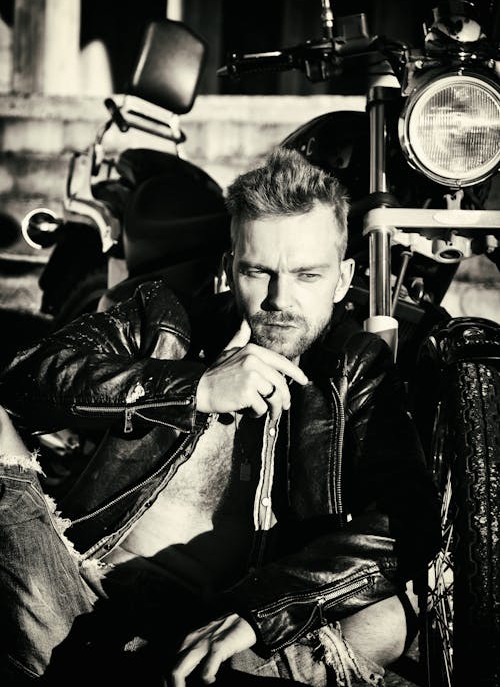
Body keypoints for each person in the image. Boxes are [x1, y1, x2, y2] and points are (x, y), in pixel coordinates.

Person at [0, 146, 441, 687]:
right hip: (78, 595)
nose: (280, 299)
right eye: (259, 271)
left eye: (307, 275)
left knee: (390, 614)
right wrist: (192, 388)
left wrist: (260, 613)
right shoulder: (166, 317)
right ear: (232, 266)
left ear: (343, 277)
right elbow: (25, 376)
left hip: (215, 635)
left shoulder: (354, 367)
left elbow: (407, 517)